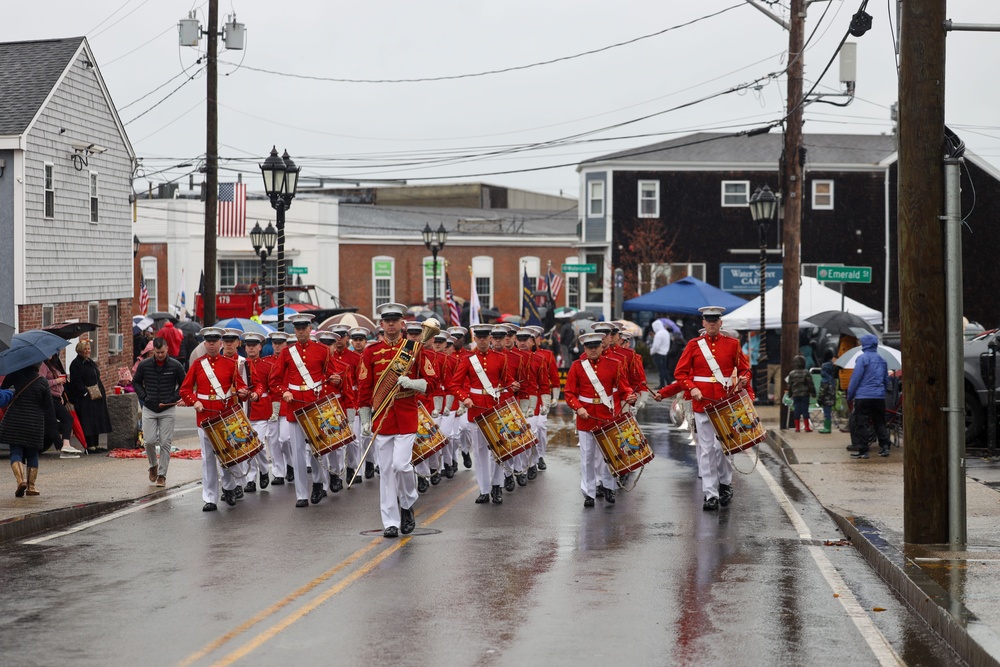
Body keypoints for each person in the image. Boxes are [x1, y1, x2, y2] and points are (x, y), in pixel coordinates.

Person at [358, 304, 437, 537]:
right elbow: (364, 389)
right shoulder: (370, 352)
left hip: (406, 414)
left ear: (402, 324)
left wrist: (412, 383)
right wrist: (365, 418)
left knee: (401, 466)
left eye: (395, 320)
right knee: (386, 472)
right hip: (382, 418)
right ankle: (390, 521)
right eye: (387, 320)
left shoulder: (415, 349)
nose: (391, 324)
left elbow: (431, 383)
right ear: (381, 324)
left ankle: (407, 504)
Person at [673, 306, 753, 511]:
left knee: (723, 448)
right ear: (703, 323)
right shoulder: (693, 345)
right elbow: (680, 374)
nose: (711, 323)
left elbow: (745, 369)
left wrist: (744, 379)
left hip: (725, 403)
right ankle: (710, 494)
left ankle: (725, 484)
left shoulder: (733, 344)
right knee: (707, 450)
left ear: (720, 323)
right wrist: (693, 389)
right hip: (702, 404)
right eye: (708, 320)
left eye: (715, 320)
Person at [180, 327, 251, 511]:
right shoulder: (197, 364)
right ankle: (210, 498)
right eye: (208, 341)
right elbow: (185, 390)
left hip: (224, 417)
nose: (211, 344)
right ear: (204, 343)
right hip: (204, 417)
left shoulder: (230, 364)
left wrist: (244, 393)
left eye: (214, 341)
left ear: (220, 343)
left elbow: (242, 389)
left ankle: (228, 488)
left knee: (226, 455)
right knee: (207, 459)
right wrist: (194, 402)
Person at [563, 332, 636, 507]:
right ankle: (589, 492)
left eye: (596, 346)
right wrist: (578, 408)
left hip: (607, 415)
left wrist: (630, 395)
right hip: (586, 416)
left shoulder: (614, 364)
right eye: (589, 347)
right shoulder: (577, 366)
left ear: (602, 347)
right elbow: (569, 393)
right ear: (584, 349)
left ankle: (609, 487)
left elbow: (624, 387)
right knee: (587, 456)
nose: (593, 350)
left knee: (609, 454)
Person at [270, 314, 334, 508]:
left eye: (303, 327)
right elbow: (275, 380)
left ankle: (318, 482)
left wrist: (335, 379)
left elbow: (331, 375)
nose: (300, 331)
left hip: (315, 406)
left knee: (316, 449)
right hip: (294, 407)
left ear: (309, 328)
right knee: (297, 452)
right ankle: (301, 494)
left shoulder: (322, 350)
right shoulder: (288, 352)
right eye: (297, 328)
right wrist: (285, 392)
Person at [448, 323, 516, 505]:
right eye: (480, 337)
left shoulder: (501, 358)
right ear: (475, 339)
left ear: (491, 339)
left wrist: (513, 384)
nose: (483, 340)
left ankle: (497, 486)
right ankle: (484, 489)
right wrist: (465, 398)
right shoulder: (468, 360)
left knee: (497, 450)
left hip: (495, 409)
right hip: (475, 410)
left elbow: (506, 380)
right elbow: (454, 385)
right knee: (479, 453)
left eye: (486, 337)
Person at [132, 337, 185, 487]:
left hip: (168, 408)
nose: (160, 355)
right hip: (149, 407)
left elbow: (184, 384)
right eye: (157, 352)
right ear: (153, 351)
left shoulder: (176, 366)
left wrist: (172, 398)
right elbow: (135, 382)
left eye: (162, 352)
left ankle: (162, 474)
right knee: (148, 441)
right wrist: (144, 397)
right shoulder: (144, 365)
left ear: (167, 349)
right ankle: (153, 465)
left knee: (165, 442)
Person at [1, 364, 55, 497]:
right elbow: (48, 405)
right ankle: (31, 487)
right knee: (32, 453)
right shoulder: (42, 381)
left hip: (15, 420)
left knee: (15, 451)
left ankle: (20, 481)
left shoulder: (14, 375)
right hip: (34, 423)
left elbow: (3, 389)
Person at [847, 334, 893, 459]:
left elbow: (856, 378)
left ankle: (863, 450)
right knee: (879, 421)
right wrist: (881, 393)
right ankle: (885, 446)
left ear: (865, 344)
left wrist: (850, 395)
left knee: (861, 422)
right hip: (878, 397)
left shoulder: (862, 359)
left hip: (863, 396)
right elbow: (885, 379)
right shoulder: (882, 360)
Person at [67, 339, 112, 452]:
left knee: (97, 419)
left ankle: (96, 444)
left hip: (96, 395)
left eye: (88, 349)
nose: (87, 351)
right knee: (88, 421)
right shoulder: (76, 364)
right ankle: (90, 445)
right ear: (80, 351)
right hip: (85, 397)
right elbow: (76, 381)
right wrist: (84, 392)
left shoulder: (90, 361)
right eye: (85, 349)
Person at [39, 354, 83, 458]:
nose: (50, 355)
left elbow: (58, 385)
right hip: (48, 398)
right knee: (62, 420)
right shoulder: (42, 366)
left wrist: (60, 394)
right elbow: (41, 382)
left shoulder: (53, 365)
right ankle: (64, 446)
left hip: (57, 398)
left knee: (63, 420)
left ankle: (64, 446)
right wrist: (57, 381)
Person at [785, 354, 816, 432]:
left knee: (797, 410)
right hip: (805, 395)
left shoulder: (791, 373)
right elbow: (810, 384)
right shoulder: (806, 373)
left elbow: (789, 385)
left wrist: (790, 394)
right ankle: (807, 427)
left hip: (795, 395)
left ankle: (797, 428)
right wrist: (813, 392)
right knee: (805, 410)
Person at [817, 350, 837, 434]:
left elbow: (822, 391)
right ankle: (827, 427)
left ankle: (827, 427)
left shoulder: (824, 380)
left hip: (826, 400)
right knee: (828, 413)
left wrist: (819, 399)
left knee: (826, 414)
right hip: (831, 399)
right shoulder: (833, 380)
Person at [649, 320, 672, 389]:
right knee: (664, 369)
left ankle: (662, 384)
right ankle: (668, 383)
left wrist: (651, 352)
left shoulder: (658, 334)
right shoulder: (666, 332)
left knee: (660, 370)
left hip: (658, 353)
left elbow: (656, 346)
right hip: (665, 353)